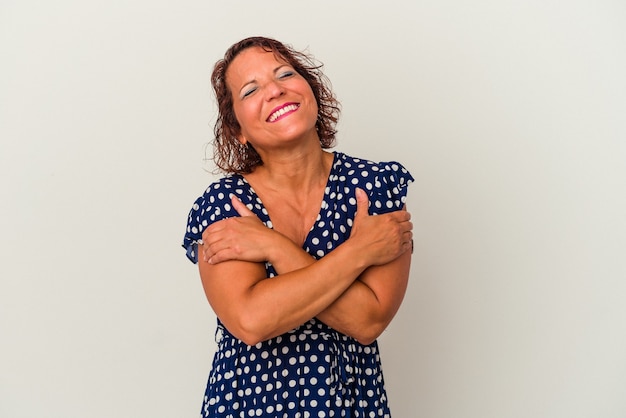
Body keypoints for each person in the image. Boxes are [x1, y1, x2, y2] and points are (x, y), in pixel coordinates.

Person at [183, 36, 414, 418]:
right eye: (251, 89)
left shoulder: (374, 186)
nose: (274, 90)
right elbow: (252, 321)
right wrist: (358, 252)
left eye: (285, 74)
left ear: (311, 91)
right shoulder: (223, 205)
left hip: (349, 407)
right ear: (237, 128)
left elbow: (368, 320)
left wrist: (272, 247)